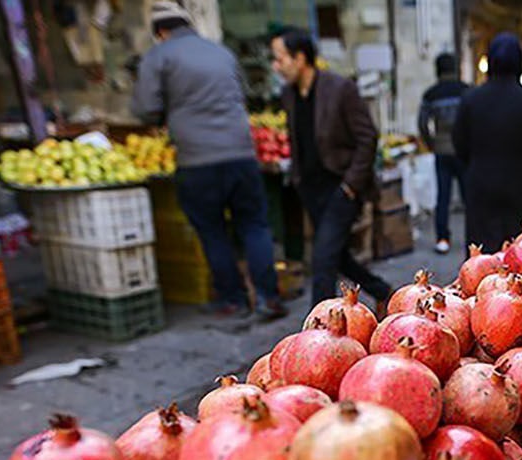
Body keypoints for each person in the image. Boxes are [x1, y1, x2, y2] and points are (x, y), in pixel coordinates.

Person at [131, 1, 285, 320]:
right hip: (241, 154)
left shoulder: (158, 55)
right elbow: (241, 93)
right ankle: (269, 298)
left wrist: (170, 112)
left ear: (160, 32)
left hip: (198, 159)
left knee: (213, 231)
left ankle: (234, 299)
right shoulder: (221, 52)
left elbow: (146, 108)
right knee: (254, 226)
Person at [270, 27, 392, 311]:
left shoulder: (339, 89)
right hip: (310, 188)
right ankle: (382, 290)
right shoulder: (289, 95)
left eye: (280, 58)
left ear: (300, 58)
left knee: (323, 258)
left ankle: (319, 331)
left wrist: (351, 185)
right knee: (336, 256)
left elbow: (367, 137)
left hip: (341, 187)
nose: (276, 66)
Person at [453, 33, 522, 255]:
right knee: (519, 252)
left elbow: (459, 143)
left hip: (480, 182)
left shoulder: (470, 100)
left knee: (481, 253)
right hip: (519, 184)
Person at [417, 53, 469, 255]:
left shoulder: (431, 94)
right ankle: (473, 239)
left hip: (441, 150)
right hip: (463, 151)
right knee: (468, 198)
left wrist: (431, 143)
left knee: (443, 197)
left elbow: (422, 123)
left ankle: (442, 238)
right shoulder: (466, 91)